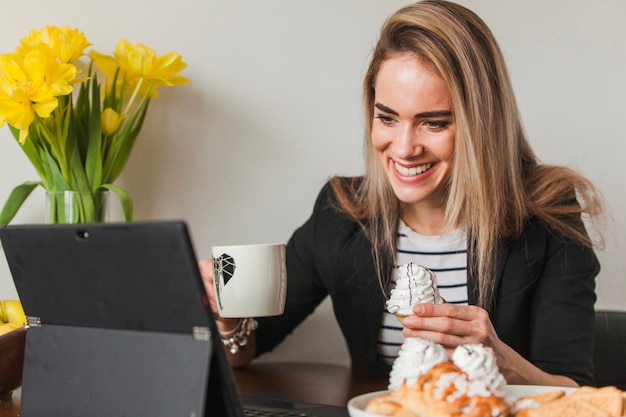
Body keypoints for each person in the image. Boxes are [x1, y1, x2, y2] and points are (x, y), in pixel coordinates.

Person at [199, 0, 603, 387]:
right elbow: (251, 347)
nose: (405, 147)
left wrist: (502, 362)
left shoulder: (550, 214)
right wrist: (227, 314)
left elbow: (575, 392)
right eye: (387, 118)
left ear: (482, 124)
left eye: (434, 123)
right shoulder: (343, 213)